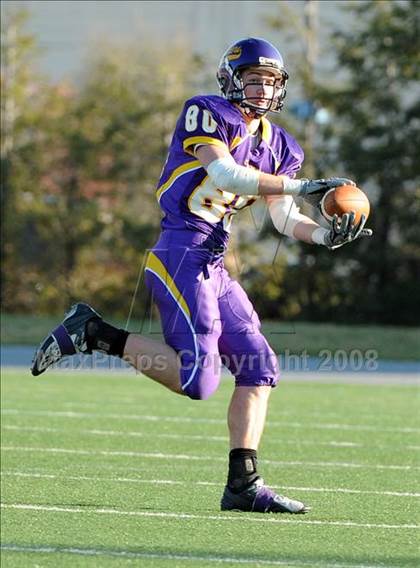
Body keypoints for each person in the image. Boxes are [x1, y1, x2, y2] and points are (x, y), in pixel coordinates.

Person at [31, 38, 372, 514]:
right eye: (254, 79)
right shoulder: (207, 112)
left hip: (214, 260)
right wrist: (303, 185)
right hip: (180, 250)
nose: (262, 89)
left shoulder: (281, 145)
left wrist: (324, 237)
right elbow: (228, 175)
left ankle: (243, 485)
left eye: (270, 81)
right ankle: (93, 332)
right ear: (230, 79)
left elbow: (282, 217)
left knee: (258, 367)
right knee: (198, 380)